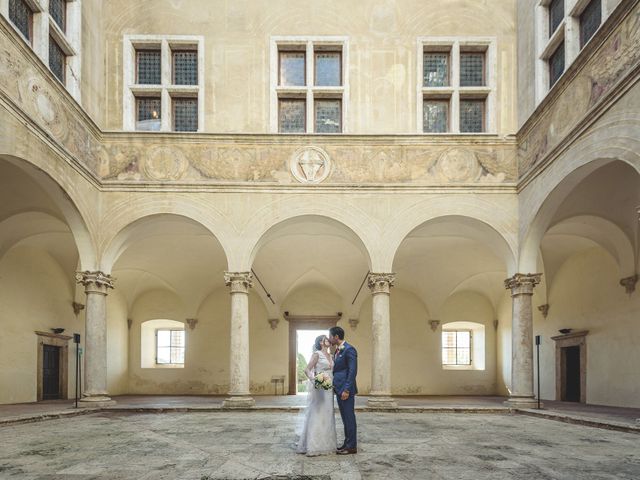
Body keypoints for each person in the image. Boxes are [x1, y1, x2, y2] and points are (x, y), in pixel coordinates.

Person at [296, 335, 337, 456]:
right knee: (317, 412)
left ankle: (327, 445)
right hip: (320, 387)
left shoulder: (331, 355)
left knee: (328, 414)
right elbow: (307, 369)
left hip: (329, 388)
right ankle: (313, 446)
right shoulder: (317, 354)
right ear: (321, 342)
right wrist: (315, 380)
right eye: (325, 339)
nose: (328, 340)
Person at [329, 326, 358, 454]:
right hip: (339, 389)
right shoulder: (337, 351)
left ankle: (351, 446)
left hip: (346, 390)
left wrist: (346, 389)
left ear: (336, 337)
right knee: (345, 418)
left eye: (330, 336)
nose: (329, 339)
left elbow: (352, 371)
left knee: (349, 417)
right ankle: (347, 443)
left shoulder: (349, 349)